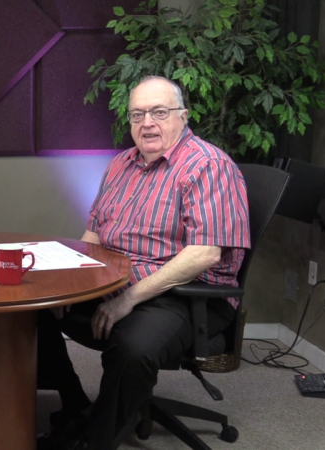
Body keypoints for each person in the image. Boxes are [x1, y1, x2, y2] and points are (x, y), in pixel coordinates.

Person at [36, 76, 250, 450]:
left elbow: (205, 254)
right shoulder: (120, 164)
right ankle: (74, 408)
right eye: (138, 114)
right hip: (114, 281)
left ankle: (95, 441)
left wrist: (128, 299)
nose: (147, 122)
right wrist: (68, 285)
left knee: (133, 348)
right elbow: (93, 235)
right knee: (33, 307)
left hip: (186, 294)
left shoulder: (209, 166)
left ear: (183, 116)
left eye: (159, 112)